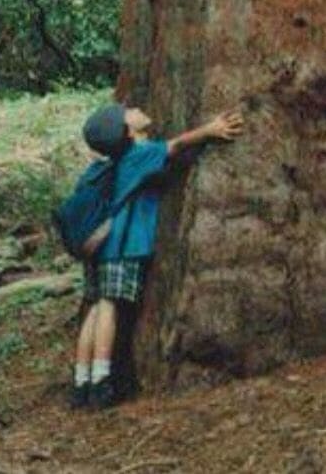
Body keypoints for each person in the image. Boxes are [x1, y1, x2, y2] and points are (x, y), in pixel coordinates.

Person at [70, 101, 244, 409]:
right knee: (109, 308)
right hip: (120, 246)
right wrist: (211, 129)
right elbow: (176, 144)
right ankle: (100, 382)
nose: (135, 108)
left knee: (96, 310)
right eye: (128, 113)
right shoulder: (137, 154)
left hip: (97, 249)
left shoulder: (112, 161)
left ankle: (81, 382)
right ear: (128, 130)